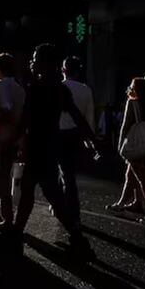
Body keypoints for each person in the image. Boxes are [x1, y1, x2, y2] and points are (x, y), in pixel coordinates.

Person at [14, 44, 96, 261]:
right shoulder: (60, 90)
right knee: (40, 191)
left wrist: (12, 141)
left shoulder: (35, 88)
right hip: (50, 145)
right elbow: (78, 117)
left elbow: (24, 121)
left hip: (37, 146)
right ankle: (19, 232)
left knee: (40, 193)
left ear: (46, 63)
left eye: (36, 58)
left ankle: (74, 236)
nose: (33, 62)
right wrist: (94, 140)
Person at [106, 78, 145, 214]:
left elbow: (125, 125)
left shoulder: (132, 103)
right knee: (130, 175)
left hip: (135, 147)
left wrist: (120, 146)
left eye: (131, 87)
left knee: (142, 179)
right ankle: (122, 202)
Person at [59, 56, 95, 228]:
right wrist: (91, 139)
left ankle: (67, 211)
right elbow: (89, 117)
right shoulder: (86, 90)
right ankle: (71, 213)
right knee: (69, 174)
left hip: (58, 133)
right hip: (76, 135)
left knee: (60, 173)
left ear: (64, 69)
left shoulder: (59, 87)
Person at [0, 53, 26, 229]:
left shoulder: (0, 84)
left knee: (0, 180)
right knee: (4, 175)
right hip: (14, 137)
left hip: (1, 138)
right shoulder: (19, 88)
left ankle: (7, 219)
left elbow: (6, 108)